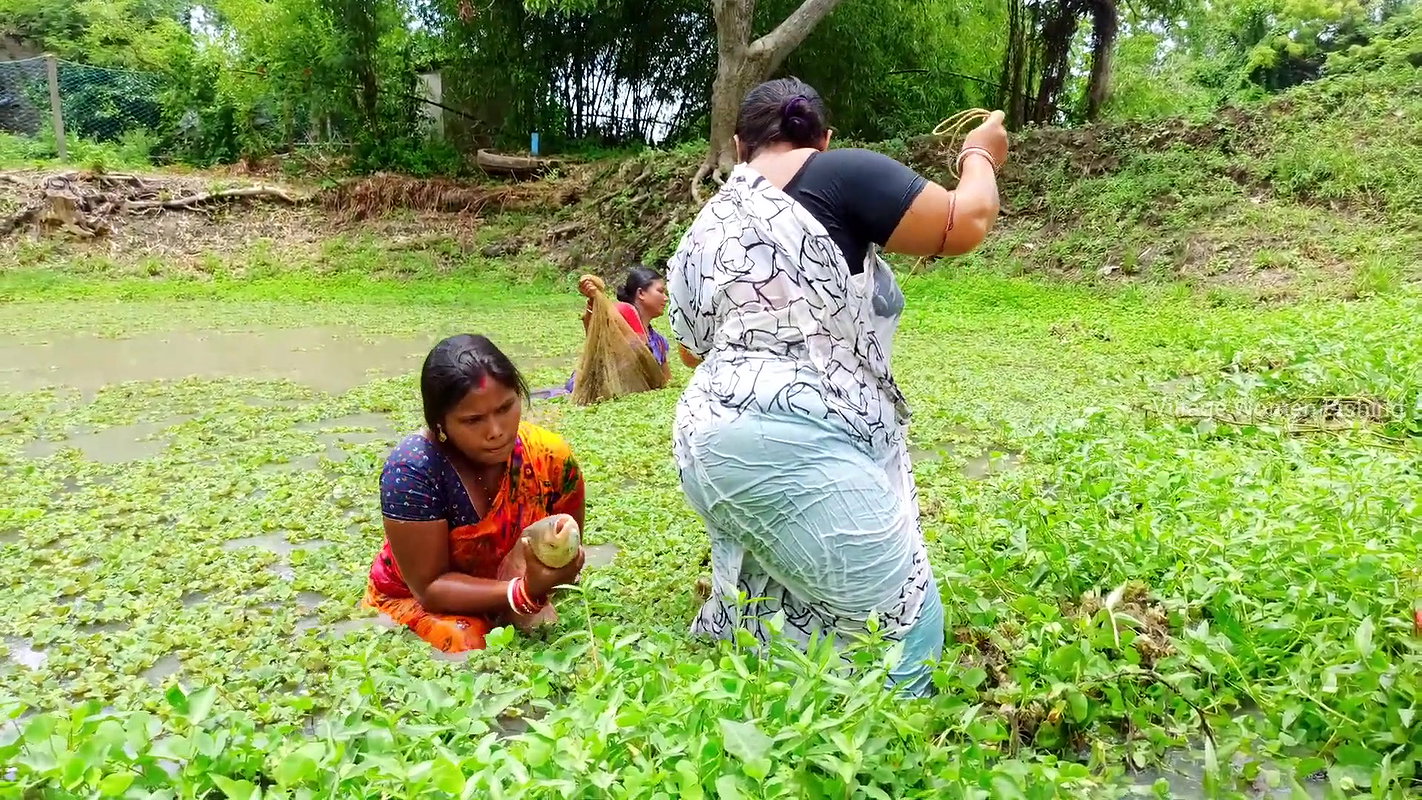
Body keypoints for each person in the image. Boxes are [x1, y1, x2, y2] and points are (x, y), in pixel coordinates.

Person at [665, 78, 1009, 696]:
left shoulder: (706, 227)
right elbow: (967, 221)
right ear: (824, 140)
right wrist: (979, 154)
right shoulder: (843, 174)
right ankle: (898, 747)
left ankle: (782, 697)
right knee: (907, 624)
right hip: (797, 439)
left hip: (705, 440)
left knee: (789, 583)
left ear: (740, 145)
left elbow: (691, 350)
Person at [364, 334, 587, 653]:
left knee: (548, 630)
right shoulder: (414, 470)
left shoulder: (551, 457)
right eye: (473, 420)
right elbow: (430, 587)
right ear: (441, 422)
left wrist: (551, 576)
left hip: (517, 582)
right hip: (415, 596)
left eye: (506, 407)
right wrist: (521, 593)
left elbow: (568, 547)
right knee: (466, 642)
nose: (496, 430)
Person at [539, 266, 672, 398]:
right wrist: (594, 299)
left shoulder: (659, 342)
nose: (666, 298)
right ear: (641, 293)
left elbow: (665, 382)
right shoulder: (622, 311)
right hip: (591, 392)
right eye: (660, 291)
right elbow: (596, 329)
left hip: (623, 397)